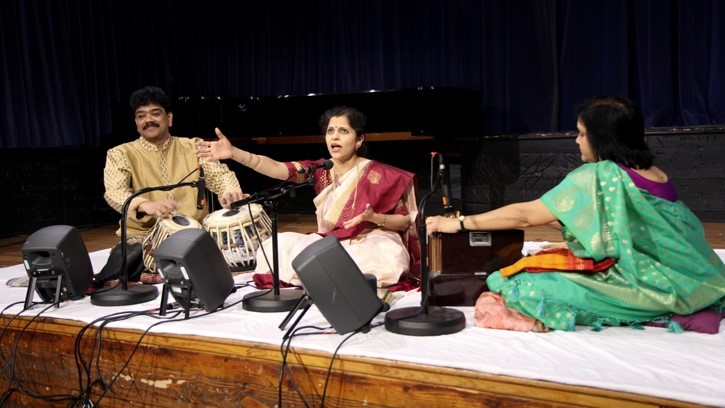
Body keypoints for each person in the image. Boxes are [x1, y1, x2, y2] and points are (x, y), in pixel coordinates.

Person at [426, 95, 725, 332]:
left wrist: (461, 223)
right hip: (696, 278)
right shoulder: (654, 172)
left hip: (648, 283)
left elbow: (526, 215)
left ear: (602, 138)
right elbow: (625, 231)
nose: (577, 140)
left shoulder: (601, 175)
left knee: (516, 284)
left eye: (582, 134)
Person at [196, 106, 418, 288]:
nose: (335, 137)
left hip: (373, 239)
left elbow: (404, 221)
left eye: (343, 131)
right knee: (276, 245)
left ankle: (327, 280)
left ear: (359, 139)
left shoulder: (381, 174)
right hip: (332, 241)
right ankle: (327, 279)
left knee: (387, 257)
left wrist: (373, 217)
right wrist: (234, 153)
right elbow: (276, 167)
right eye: (330, 131)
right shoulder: (320, 170)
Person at [102, 86, 245, 283]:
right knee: (128, 258)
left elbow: (220, 175)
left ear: (169, 118)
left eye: (155, 113)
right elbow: (115, 191)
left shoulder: (193, 146)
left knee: (242, 250)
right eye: (141, 116)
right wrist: (145, 205)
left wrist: (230, 192)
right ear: (136, 123)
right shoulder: (120, 153)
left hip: (194, 232)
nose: (148, 120)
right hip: (146, 234)